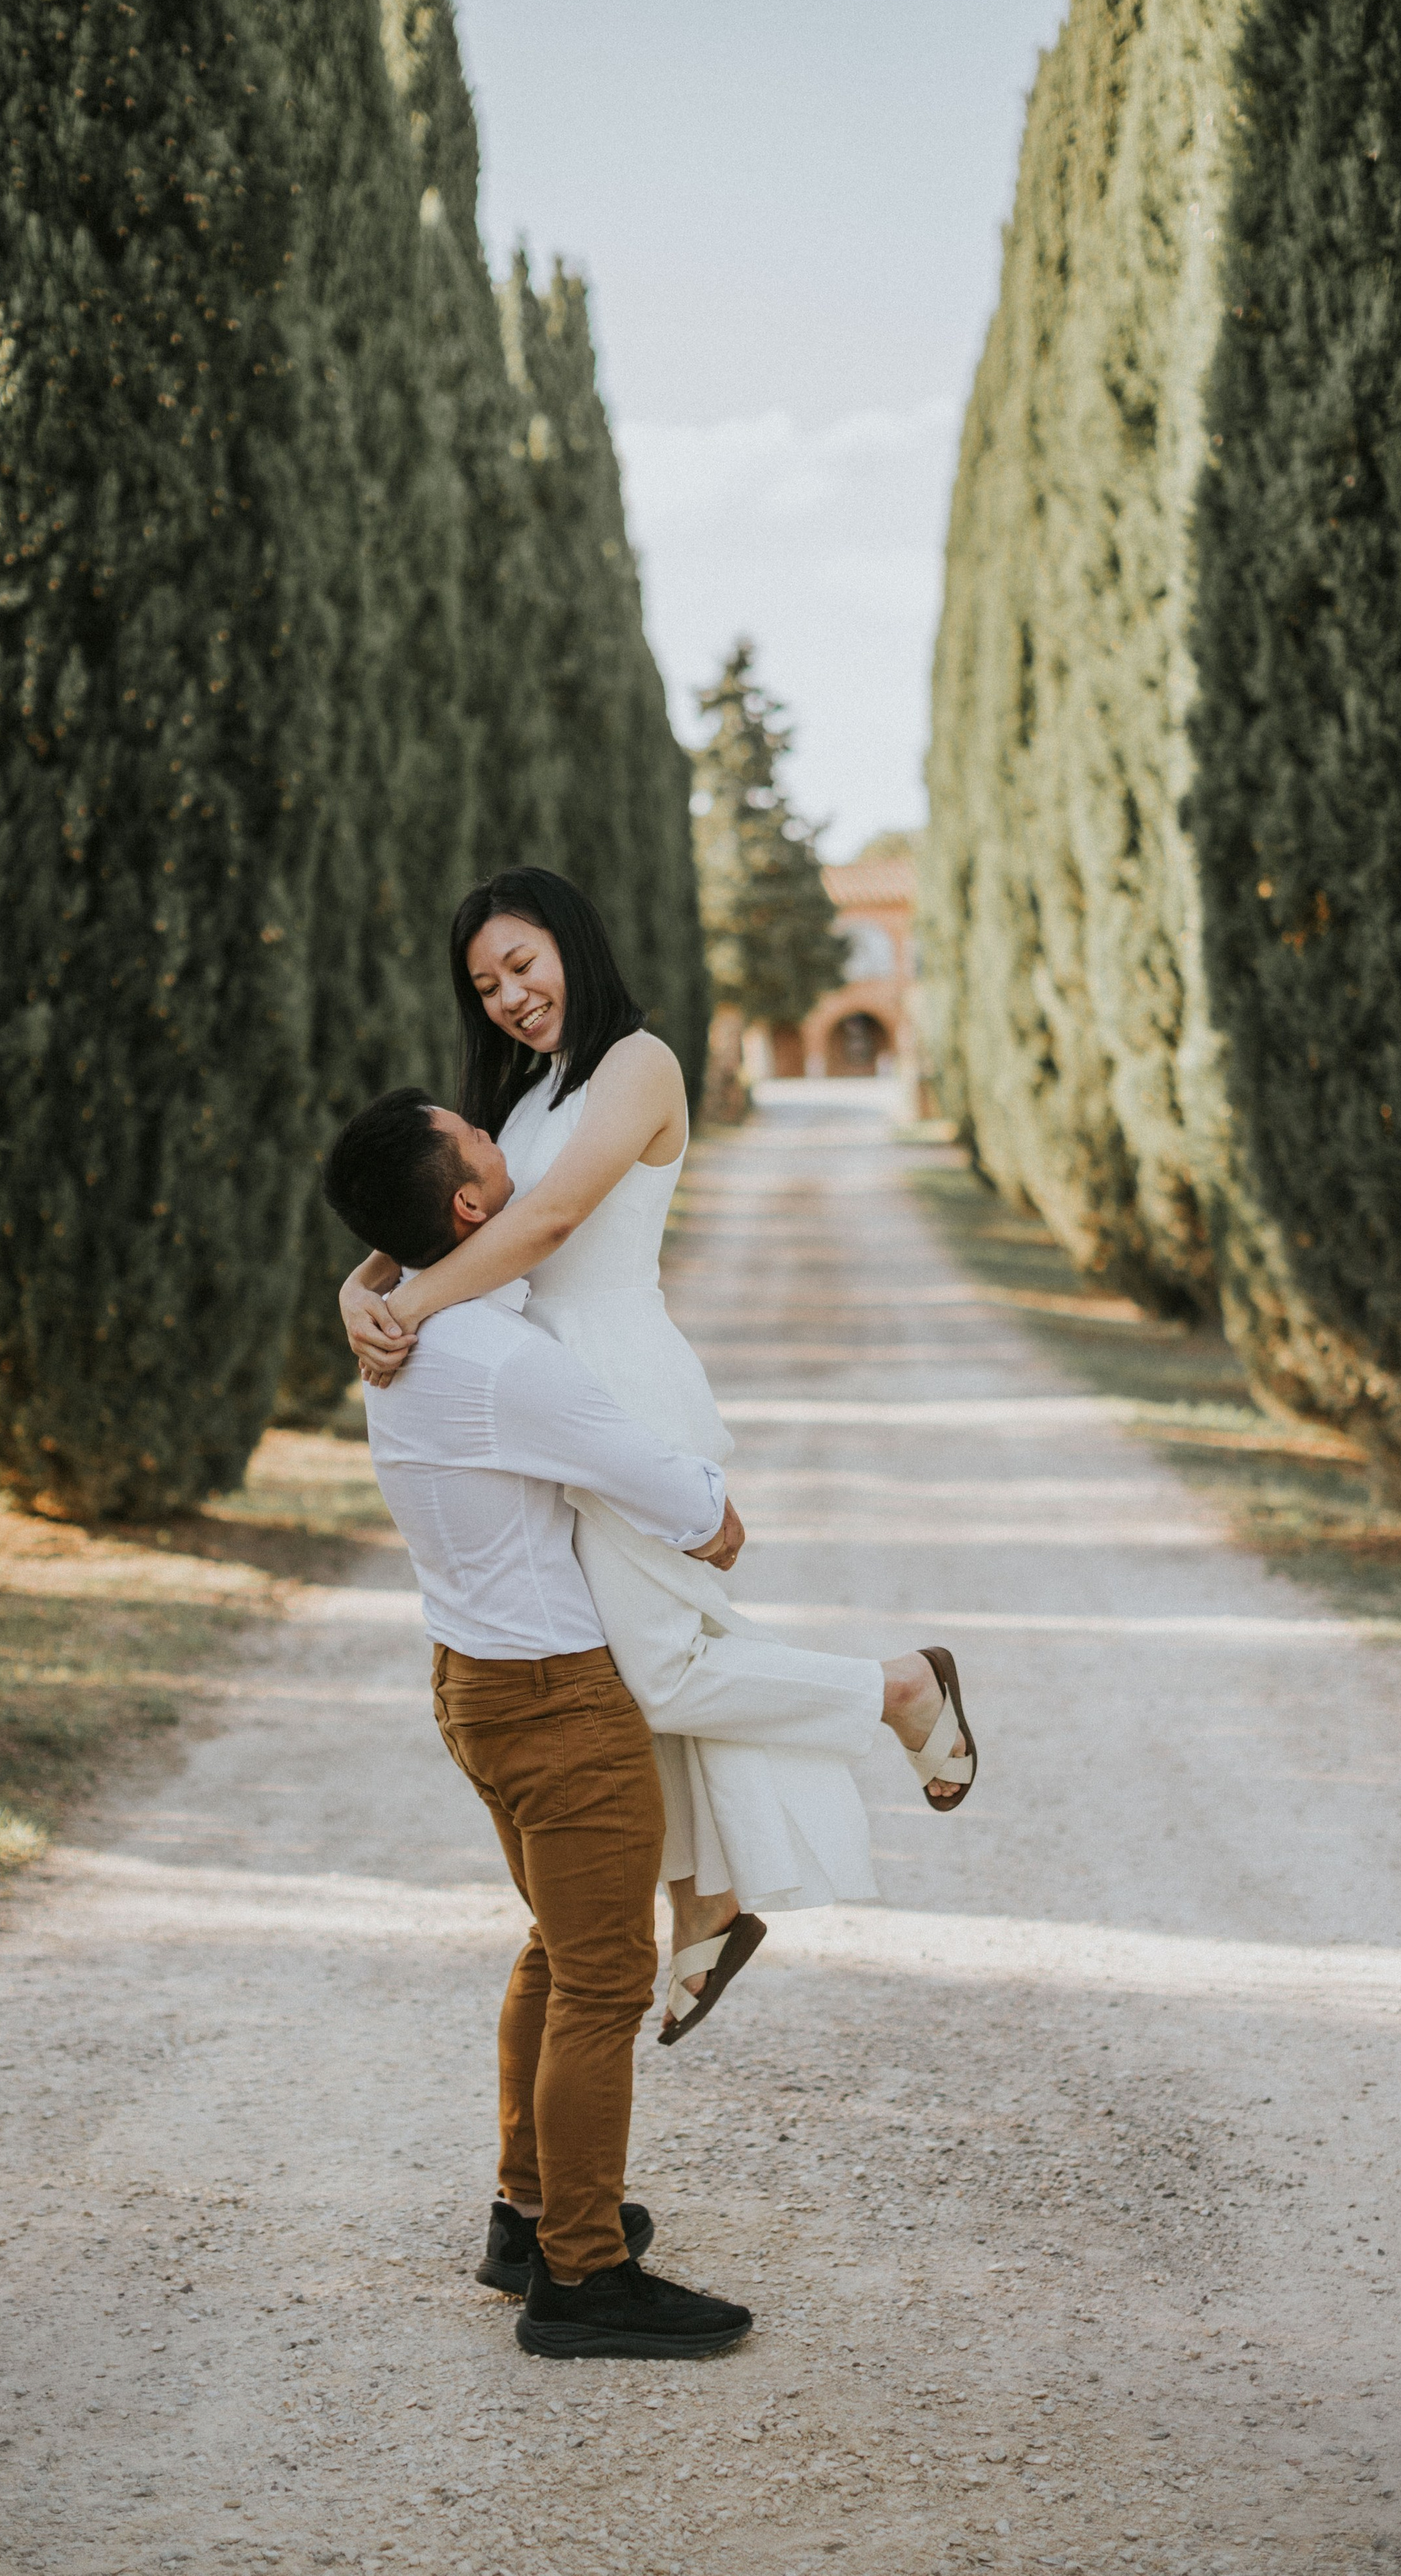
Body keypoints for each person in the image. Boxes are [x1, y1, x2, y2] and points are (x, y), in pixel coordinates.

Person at [321, 1084, 961, 2360]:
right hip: (558, 1703)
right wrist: (716, 1511)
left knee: (560, 1953)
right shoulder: (498, 1359)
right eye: (487, 1143)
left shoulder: (416, 1333)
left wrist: (361, 1282)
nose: (512, 1150)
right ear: (467, 1203)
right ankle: (582, 2276)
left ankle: (528, 2217)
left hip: (477, 1684)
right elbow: (668, 1488)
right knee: (606, 1979)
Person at [339, 867, 975, 2043]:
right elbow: (432, 1216)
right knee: (631, 1670)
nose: (509, 999)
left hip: (621, 1390)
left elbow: (545, 1224)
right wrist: (356, 1287)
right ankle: (709, 1900)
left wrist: (410, 1308)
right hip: (543, 1402)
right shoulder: (522, 1096)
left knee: (664, 1672)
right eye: (485, 987)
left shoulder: (640, 1066)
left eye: (523, 966)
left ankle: (896, 1689)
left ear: (574, 943)